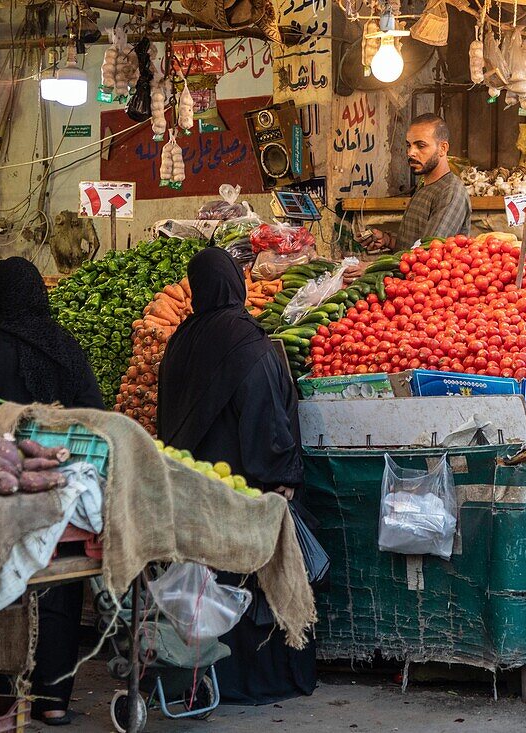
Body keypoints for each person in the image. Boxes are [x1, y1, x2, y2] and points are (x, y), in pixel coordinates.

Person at [157, 247, 316, 705]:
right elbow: (266, 417)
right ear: (236, 284)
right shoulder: (249, 342)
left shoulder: (179, 342)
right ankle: (254, 680)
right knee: (250, 587)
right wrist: (282, 476)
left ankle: (202, 678)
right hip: (245, 488)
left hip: (194, 492)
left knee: (206, 586)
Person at [0, 257, 105, 726]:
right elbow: (95, 417)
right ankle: (52, 700)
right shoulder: (62, 346)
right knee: (58, 588)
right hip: (60, 489)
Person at [368, 113, 471, 252]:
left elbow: (427, 254)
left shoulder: (451, 192)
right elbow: (412, 246)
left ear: (443, 148)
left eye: (420, 146)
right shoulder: (425, 186)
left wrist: (371, 267)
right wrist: (388, 240)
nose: (411, 152)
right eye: (409, 145)